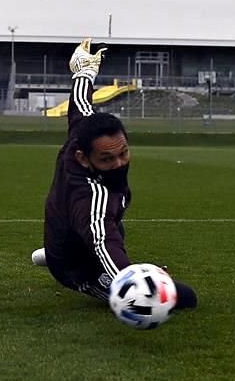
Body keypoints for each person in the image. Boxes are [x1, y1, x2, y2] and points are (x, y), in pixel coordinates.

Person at [31, 38, 197, 310]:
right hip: (77, 268)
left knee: (112, 223)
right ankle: (59, 258)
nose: (119, 163)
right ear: (82, 158)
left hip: (67, 228)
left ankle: (55, 250)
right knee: (183, 298)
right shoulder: (91, 198)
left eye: (123, 153)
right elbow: (103, 239)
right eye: (107, 159)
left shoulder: (83, 132)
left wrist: (84, 71)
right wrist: (139, 283)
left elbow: (81, 102)